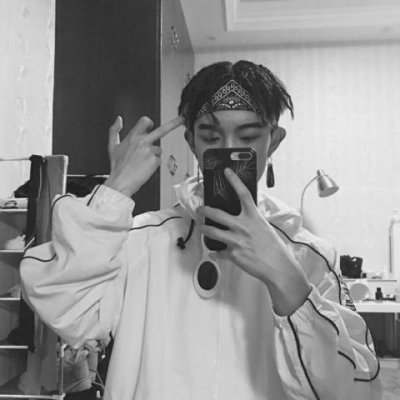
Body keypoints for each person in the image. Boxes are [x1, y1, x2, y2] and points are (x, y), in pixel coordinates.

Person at [21, 60, 381, 400]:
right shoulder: (139, 240)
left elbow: (356, 388)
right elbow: (68, 313)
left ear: (273, 141)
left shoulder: (309, 255)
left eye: (248, 136)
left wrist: (288, 280)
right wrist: (116, 189)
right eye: (210, 137)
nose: (228, 152)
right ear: (191, 142)